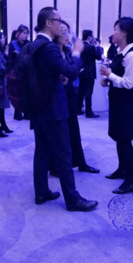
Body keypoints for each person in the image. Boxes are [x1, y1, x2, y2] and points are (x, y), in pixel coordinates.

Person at [25, 7, 98, 211]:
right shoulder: (48, 47)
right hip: (53, 109)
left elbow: (42, 74)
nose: (61, 23)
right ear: (48, 23)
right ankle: (73, 200)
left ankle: (41, 192)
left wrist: (57, 79)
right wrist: (76, 52)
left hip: (38, 106)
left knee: (41, 151)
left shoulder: (32, 45)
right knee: (64, 155)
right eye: (58, 20)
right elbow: (72, 71)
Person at [49, 20, 99, 176]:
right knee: (58, 133)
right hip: (55, 96)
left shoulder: (68, 51)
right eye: (62, 31)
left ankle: (80, 162)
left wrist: (69, 76)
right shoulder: (51, 52)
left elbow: (74, 70)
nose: (66, 35)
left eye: (67, 31)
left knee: (74, 130)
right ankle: (55, 167)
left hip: (69, 93)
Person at [99, 17, 133, 194]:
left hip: (125, 102)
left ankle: (130, 180)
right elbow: (119, 77)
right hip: (117, 100)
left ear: (125, 32)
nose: (113, 33)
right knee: (118, 137)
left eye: (115, 29)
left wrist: (110, 75)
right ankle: (121, 169)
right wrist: (108, 80)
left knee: (125, 140)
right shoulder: (120, 51)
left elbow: (129, 83)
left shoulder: (132, 55)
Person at [76, 29, 102, 118]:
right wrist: (98, 47)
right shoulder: (90, 47)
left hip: (81, 71)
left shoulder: (80, 45)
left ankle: (78, 109)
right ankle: (89, 112)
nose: (93, 38)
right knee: (88, 92)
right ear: (89, 37)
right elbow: (98, 57)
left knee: (81, 91)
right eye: (92, 36)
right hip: (89, 72)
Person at [7, 25, 30, 120]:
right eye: (24, 33)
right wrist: (15, 56)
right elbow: (9, 59)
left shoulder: (29, 44)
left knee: (27, 92)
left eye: (27, 33)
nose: (26, 35)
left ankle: (27, 113)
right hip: (16, 71)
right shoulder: (13, 44)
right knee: (17, 93)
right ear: (18, 33)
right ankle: (18, 113)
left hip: (27, 71)